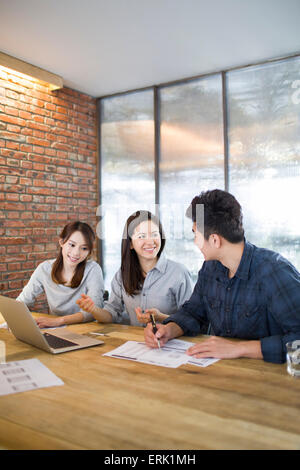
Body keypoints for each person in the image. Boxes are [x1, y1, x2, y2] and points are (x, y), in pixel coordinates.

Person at [144, 189, 300, 364]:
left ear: (215, 240)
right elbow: (194, 312)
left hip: (270, 381)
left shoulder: (275, 271)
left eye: (195, 234)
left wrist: (240, 349)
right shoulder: (210, 268)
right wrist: (169, 330)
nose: (195, 241)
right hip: (220, 373)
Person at [77, 210, 193, 326]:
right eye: (141, 236)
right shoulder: (122, 275)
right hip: (136, 342)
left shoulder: (178, 273)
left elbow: (191, 320)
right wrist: (93, 309)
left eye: (154, 234)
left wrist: (160, 317)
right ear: (131, 243)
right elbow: (112, 314)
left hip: (171, 342)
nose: (150, 241)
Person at [17, 221, 104, 328]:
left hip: (87, 330)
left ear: (89, 251)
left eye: (84, 248)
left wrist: (59, 321)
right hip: (55, 330)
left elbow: (94, 311)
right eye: (72, 245)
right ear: (61, 242)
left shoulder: (93, 269)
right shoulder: (45, 268)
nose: (76, 253)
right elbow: (23, 301)